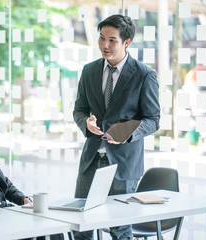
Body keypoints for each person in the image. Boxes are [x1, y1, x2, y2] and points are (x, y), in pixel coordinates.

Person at [73, 14, 160, 240]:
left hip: (123, 164)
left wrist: (125, 133)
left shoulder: (144, 75)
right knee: (81, 224)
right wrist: (86, 122)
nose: (105, 45)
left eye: (112, 40)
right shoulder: (89, 70)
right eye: (102, 38)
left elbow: (153, 119)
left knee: (120, 228)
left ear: (126, 42)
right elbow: (79, 109)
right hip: (91, 159)